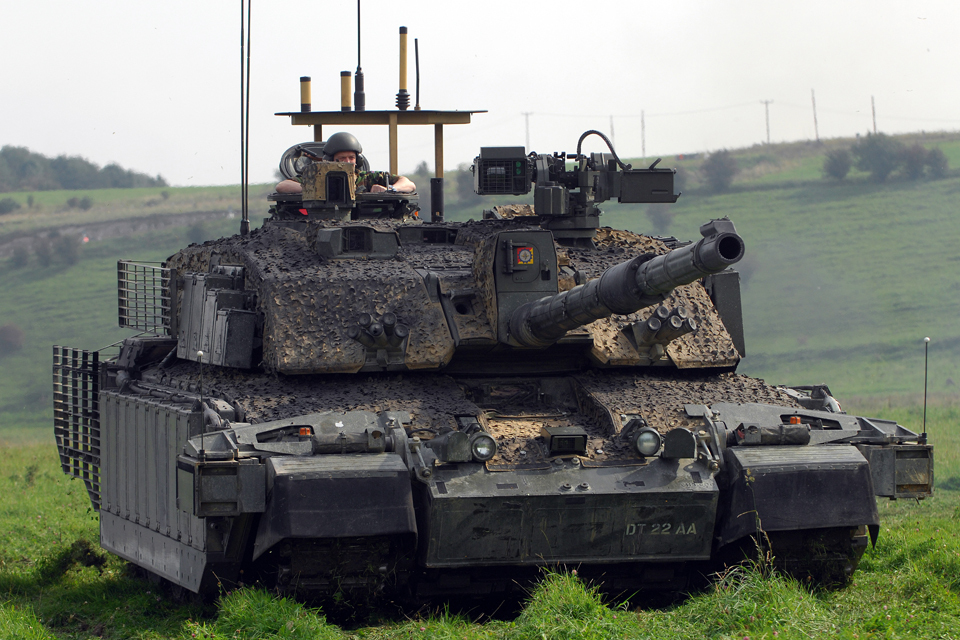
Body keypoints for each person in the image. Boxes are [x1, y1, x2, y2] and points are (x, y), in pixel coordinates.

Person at [275, 131, 416, 194]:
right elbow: (282, 186)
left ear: (358, 160)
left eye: (351, 158)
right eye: (342, 159)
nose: (348, 162)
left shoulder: (367, 178)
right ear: (330, 160)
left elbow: (409, 184)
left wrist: (390, 189)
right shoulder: (317, 180)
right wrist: (314, 190)